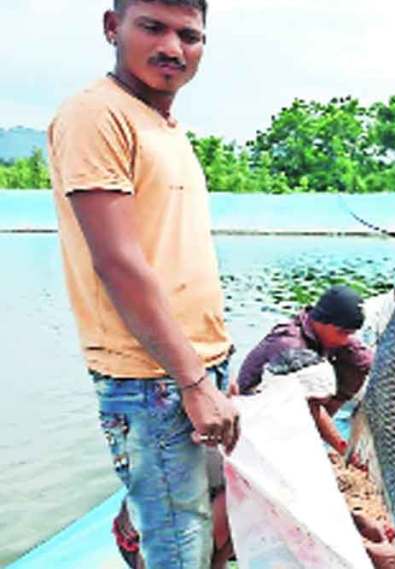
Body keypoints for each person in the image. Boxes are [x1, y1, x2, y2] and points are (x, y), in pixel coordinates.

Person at [47, 1, 240, 567]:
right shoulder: (95, 115)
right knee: (177, 548)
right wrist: (192, 381)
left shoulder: (164, 127)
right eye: (151, 27)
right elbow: (118, 263)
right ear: (112, 28)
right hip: (152, 379)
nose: (173, 48)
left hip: (196, 366)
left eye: (190, 35)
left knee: (207, 532)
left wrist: (208, 371)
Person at [235, 284, 375, 455]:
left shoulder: (331, 334)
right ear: (323, 321)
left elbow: (369, 362)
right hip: (255, 417)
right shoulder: (290, 345)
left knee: (355, 363)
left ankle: (314, 437)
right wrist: (342, 447)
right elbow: (311, 407)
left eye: (350, 334)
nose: (346, 339)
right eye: (343, 333)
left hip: (303, 408)